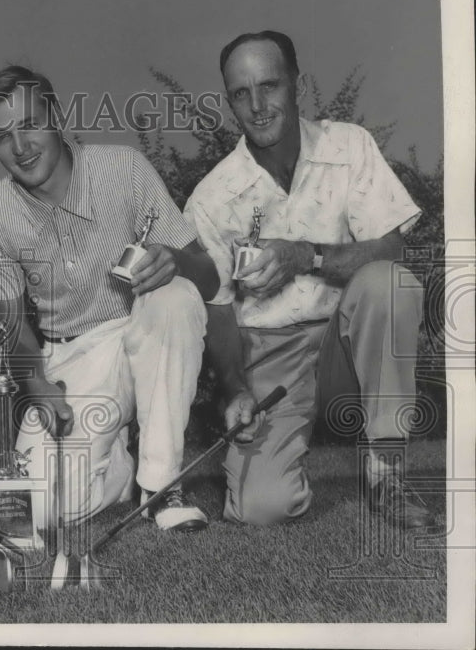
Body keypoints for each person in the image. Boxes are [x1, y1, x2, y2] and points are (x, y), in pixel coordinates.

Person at [183, 30, 435, 528]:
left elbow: (392, 249)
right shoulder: (211, 198)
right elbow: (217, 307)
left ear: (298, 84)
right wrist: (233, 387)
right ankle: (278, 459)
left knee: (390, 282)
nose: (257, 106)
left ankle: (386, 468)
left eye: (269, 86)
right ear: (227, 100)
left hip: (345, 342)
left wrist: (306, 255)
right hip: (270, 355)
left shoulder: (349, 144)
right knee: (260, 508)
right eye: (240, 93)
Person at [0, 65, 220, 531]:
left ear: (57, 115)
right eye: (2, 137)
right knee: (43, 511)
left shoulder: (122, 167)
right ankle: (118, 469)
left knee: (176, 297)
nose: (21, 147)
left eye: (30, 124)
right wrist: (36, 383)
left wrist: (176, 261)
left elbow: (207, 279)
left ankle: (162, 487)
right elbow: (9, 319)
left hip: (144, 330)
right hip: (73, 355)